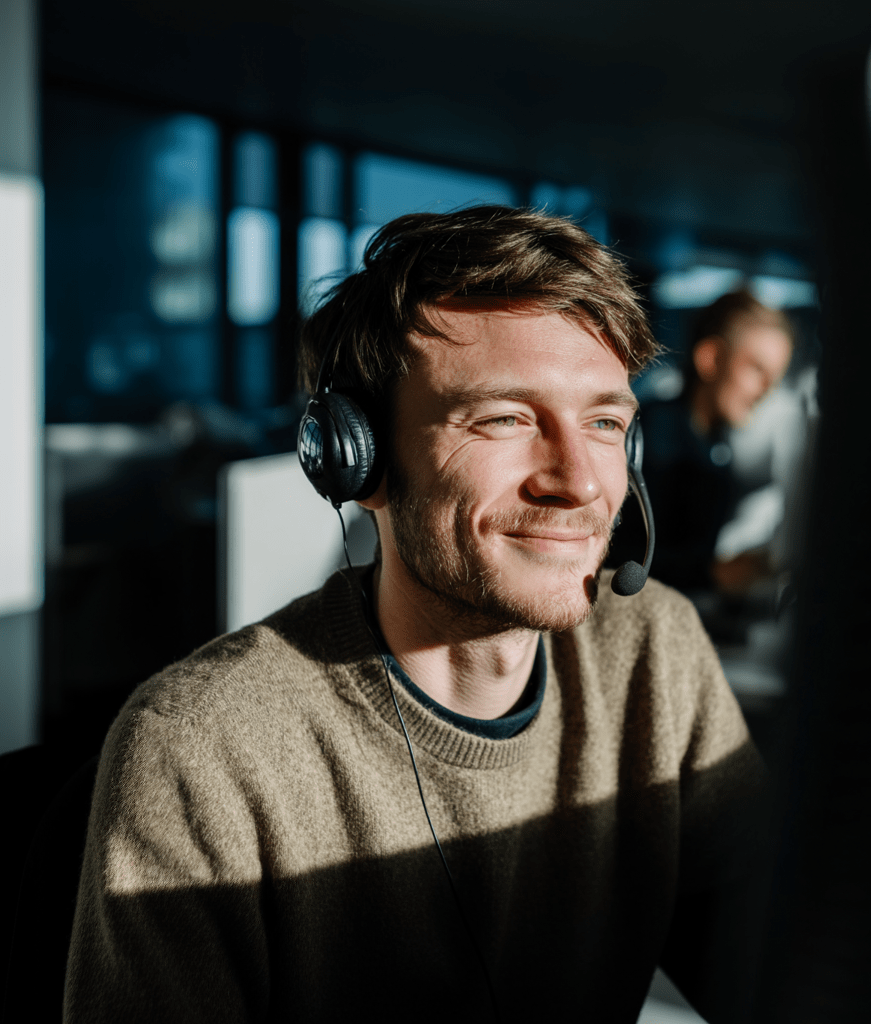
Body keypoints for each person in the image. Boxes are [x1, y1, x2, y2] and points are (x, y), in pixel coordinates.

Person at [65, 207, 765, 1023]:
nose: (578, 481)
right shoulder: (203, 750)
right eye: (503, 418)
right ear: (354, 457)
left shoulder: (654, 649)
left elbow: (778, 966)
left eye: (605, 423)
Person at [613, 290, 794, 598]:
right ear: (710, 358)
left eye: (773, 378)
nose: (767, 390)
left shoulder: (718, 445)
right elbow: (613, 560)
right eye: (756, 369)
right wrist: (712, 573)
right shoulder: (651, 438)